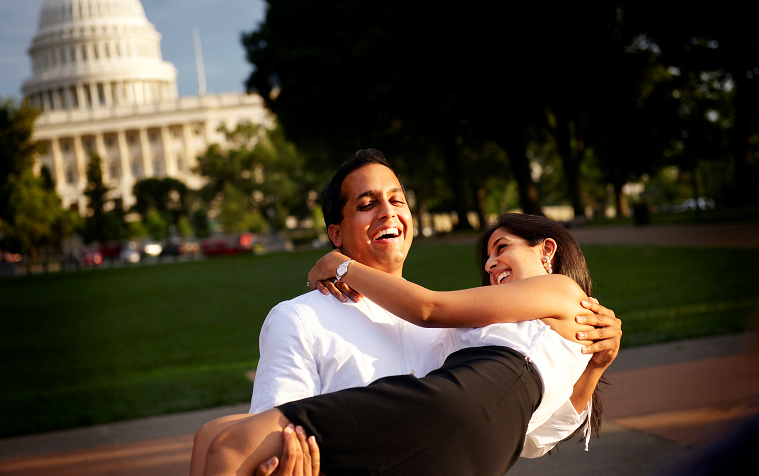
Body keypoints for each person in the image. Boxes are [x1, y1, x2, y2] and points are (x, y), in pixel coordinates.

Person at [191, 150, 621, 474]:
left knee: (229, 444)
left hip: (445, 439)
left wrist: (342, 266)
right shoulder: (300, 318)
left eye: (397, 199)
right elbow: (283, 444)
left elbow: (527, 433)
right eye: (367, 204)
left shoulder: (463, 329)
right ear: (335, 232)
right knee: (212, 436)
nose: (388, 211)